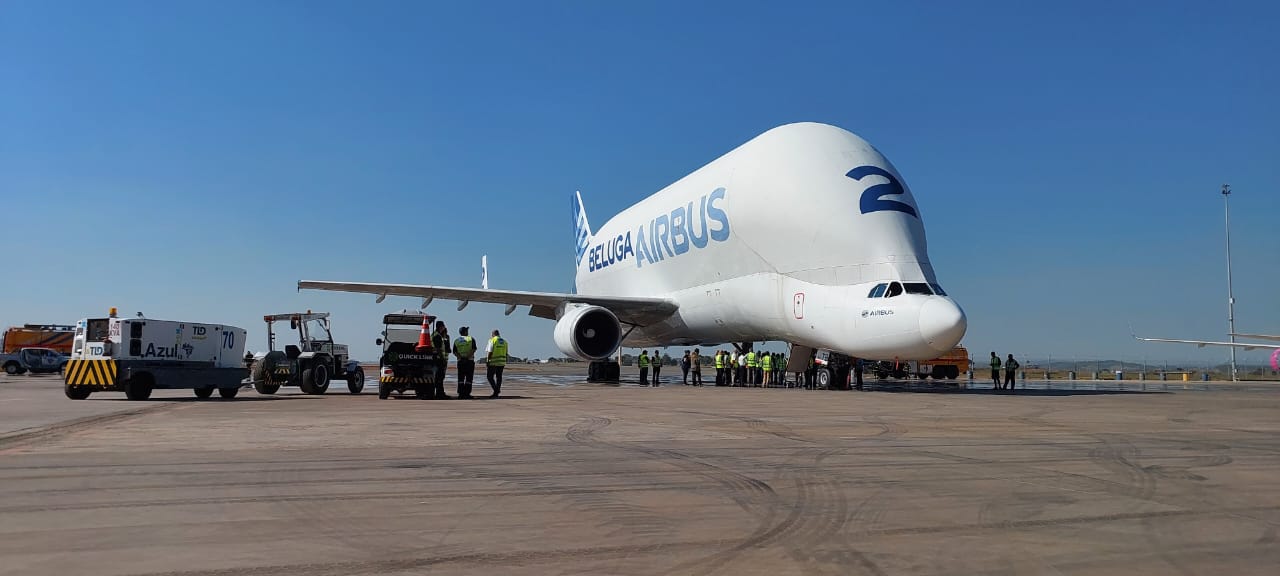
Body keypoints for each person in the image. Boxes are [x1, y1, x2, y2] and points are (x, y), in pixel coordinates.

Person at [453, 326, 476, 399]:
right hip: (469, 361)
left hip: (460, 361)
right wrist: (467, 357)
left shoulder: (456, 340)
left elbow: (455, 352)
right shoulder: (471, 339)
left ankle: (461, 394)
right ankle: (467, 393)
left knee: (460, 378)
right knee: (469, 378)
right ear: (465, 332)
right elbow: (473, 349)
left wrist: (461, 357)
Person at [431, 320, 452, 399]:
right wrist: (443, 359)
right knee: (439, 377)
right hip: (438, 359)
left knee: (438, 377)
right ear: (441, 327)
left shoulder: (436, 335)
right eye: (443, 326)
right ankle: (440, 394)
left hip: (437, 358)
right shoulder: (437, 336)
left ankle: (439, 393)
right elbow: (439, 349)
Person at [486, 330, 508, 398]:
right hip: (501, 362)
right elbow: (506, 353)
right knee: (499, 377)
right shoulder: (504, 342)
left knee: (489, 377)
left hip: (493, 362)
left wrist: (488, 360)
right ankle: (496, 392)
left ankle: (496, 390)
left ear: (493, 334)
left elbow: (490, 351)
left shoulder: (492, 340)